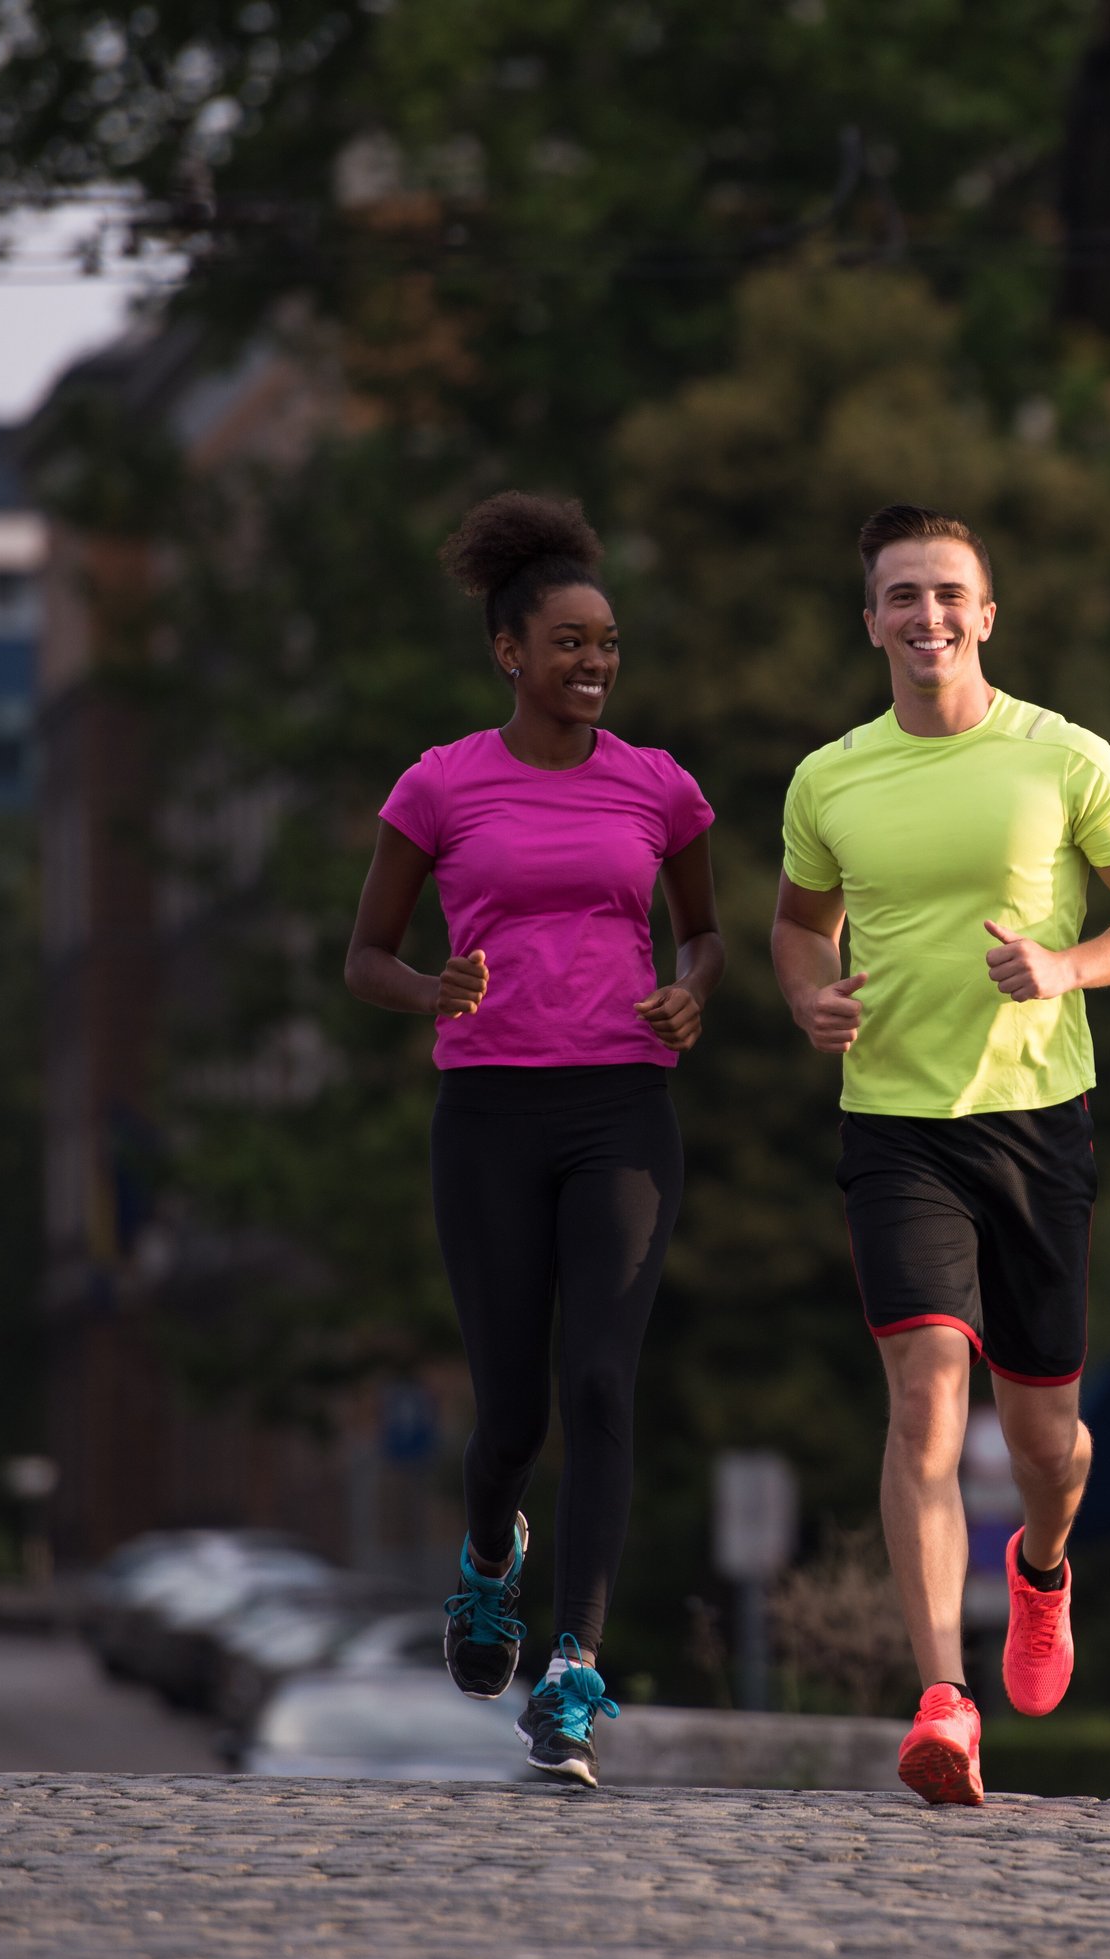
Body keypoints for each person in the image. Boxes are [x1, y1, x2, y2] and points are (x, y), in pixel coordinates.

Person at [771, 504, 1110, 1806]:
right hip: (896, 1129)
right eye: (902, 596)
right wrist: (809, 996)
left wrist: (1068, 964)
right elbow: (800, 926)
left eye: (949, 593)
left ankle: (1044, 1570)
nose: (928, 617)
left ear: (987, 613)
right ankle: (944, 1700)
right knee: (924, 1401)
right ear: (872, 622)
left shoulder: (1063, 759)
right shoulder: (829, 778)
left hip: (1034, 1128)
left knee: (1049, 1449)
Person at [345, 492, 723, 1786]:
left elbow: (706, 930)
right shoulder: (441, 785)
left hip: (622, 1106)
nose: (595, 663)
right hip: (490, 1113)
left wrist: (694, 986)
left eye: (607, 642)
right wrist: (428, 990)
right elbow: (365, 956)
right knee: (509, 1405)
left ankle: (572, 1674)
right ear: (510, 650)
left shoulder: (659, 788)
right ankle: (486, 1566)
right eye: (569, 642)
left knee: (603, 1386)